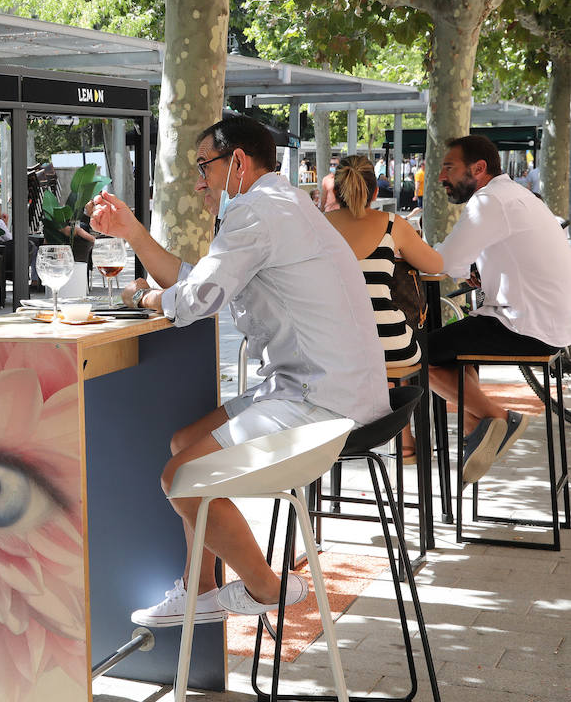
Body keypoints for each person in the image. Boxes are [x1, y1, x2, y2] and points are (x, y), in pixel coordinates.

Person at [89, 115, 388, 627]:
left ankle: (271, 588)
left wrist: (142, 296)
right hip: (324, 387)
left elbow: (194, 300)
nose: (200, 182)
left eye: (204, 167)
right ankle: (199, 589)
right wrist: (132, 232)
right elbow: (197, 282)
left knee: (181, 477)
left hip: (322, 400)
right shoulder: (282, 204)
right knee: (185, 443)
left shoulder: (255, 212)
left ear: (239, 163)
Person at [424, 135, 571, 482]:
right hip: (547, 324)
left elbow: (444, 262)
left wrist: (404, 248)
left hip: (525, 326)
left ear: (479, 168)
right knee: (452, 353)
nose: (441, 177)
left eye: (449, 167)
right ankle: (477, 429)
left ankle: (499, 418)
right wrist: (481, 270)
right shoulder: (517, 195)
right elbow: (477, 262)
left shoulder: (488, 202)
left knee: (417, 356)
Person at [323, 155, 443, 369]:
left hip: (329, 348)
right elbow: (436, 266)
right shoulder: (392, 225)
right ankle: (398, 402)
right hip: (390, 345)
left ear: (336, 191)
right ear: (376, 192)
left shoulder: (317, 225)